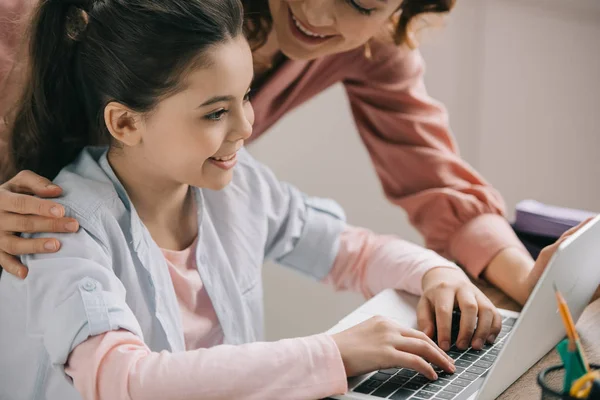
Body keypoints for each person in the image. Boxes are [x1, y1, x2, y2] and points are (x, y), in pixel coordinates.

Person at [0, 0, 510, 398]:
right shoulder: (60, 228)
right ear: (126, 122)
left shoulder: (238, 187)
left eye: (245, 96)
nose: (247, 125)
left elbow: (351, 251)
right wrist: (333, 354)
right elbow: (122, 381)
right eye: (215, 112)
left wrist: (435, 274)